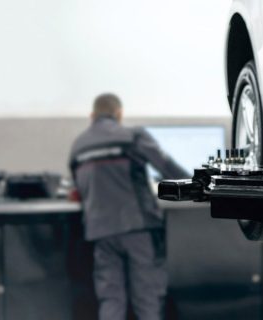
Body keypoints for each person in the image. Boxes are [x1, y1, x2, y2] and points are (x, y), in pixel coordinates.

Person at [68, 93, 188, 320]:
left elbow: (79, 189)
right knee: (147, 298)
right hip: (138, 227)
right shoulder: (132, 136)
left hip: (101, 232)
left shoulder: (78, 146)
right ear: (119, 114)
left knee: (111, 298)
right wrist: (200, 185)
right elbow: (168, 168)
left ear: (92, 116)